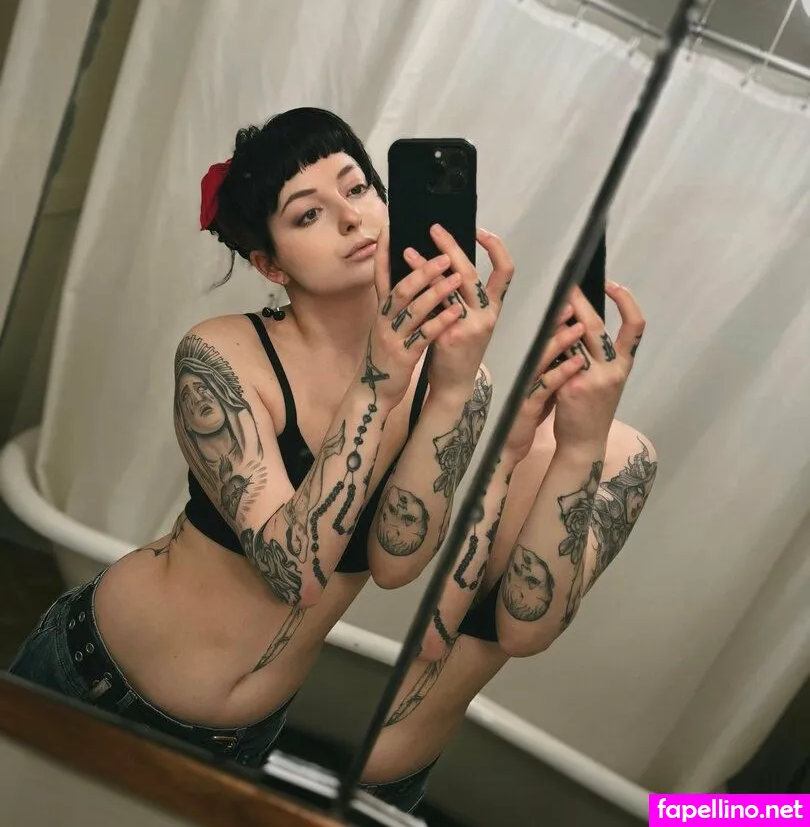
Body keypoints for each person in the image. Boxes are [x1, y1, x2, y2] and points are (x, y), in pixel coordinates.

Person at [7, 108, 513, 795]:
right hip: (99, 678)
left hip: (243, 738)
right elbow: (293, 573)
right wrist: (376, 386)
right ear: (270, 264)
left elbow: (397, 562)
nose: (351, 218)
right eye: (309, 214)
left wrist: (450, 391)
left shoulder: (456, 379)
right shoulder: (222, 356)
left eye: (358, 188)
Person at [359, 271, 658, 814]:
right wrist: (504, 454)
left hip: (385, 775)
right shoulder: (456, 388)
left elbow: (491, 632)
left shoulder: (620, 454)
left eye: (584, 324)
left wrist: (563, 450)